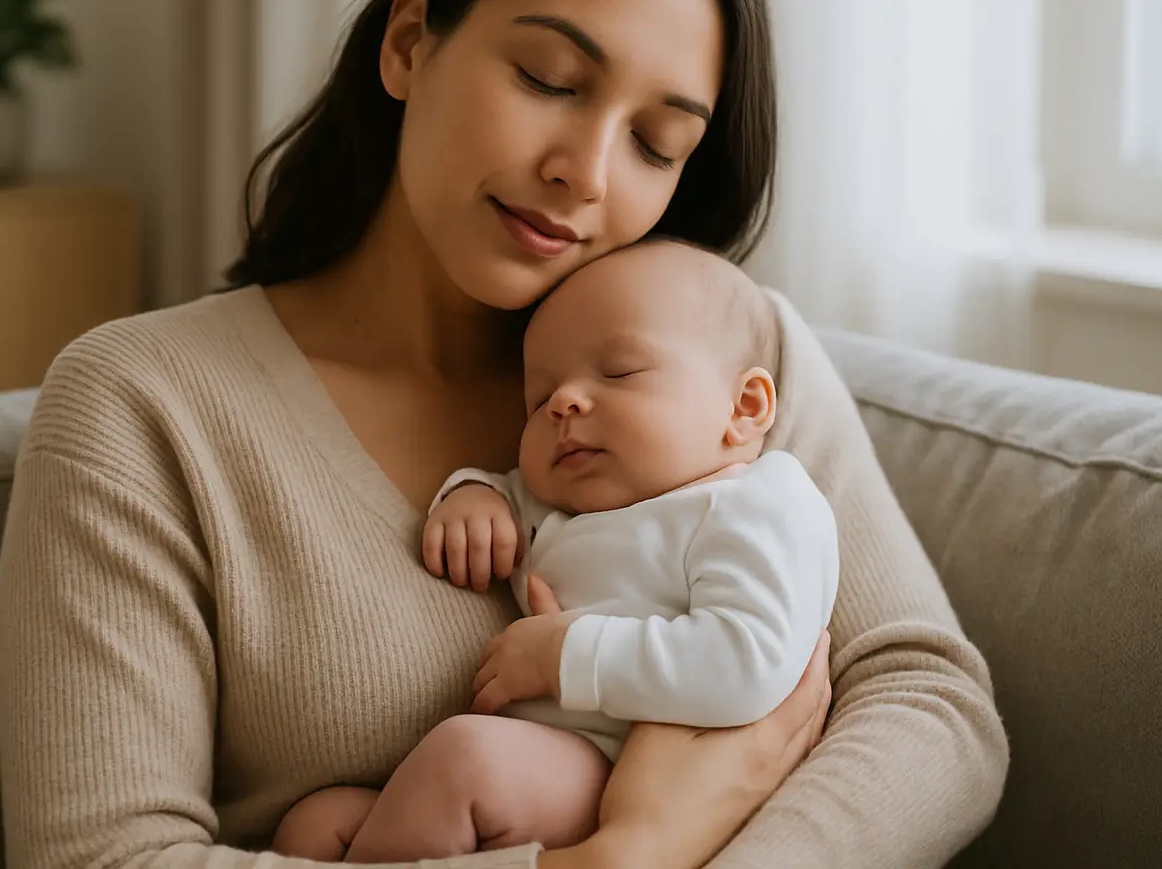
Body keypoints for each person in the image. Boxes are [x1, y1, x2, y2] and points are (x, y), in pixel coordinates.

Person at [0, 0, 1009, 869]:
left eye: (657, 143)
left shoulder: (733, 363)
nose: (587, 172)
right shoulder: (144, 405)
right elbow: (104, 858)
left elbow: (930, 702)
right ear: (407, 44)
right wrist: (620, 860)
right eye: (548, 79)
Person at [271, 240, 841, 862]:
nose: (564, 402)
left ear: (744, 407)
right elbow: (509, 492)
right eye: (538, 400)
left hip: (632, 767)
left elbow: (748, 660)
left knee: (463, 761)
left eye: (620, 371)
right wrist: (471, 497)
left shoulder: (756, 503)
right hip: (552, 763)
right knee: (316, 825)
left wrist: (566, 656)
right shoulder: (565, 505)